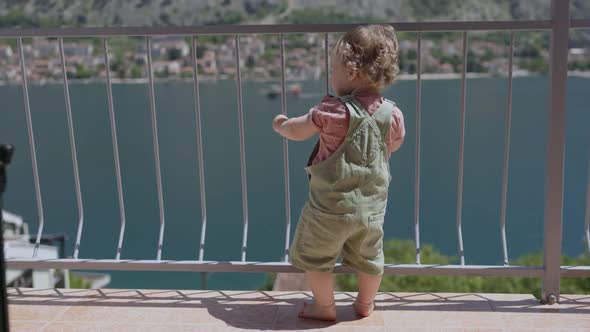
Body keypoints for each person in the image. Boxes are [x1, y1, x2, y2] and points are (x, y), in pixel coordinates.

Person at [272, 24, 405, 321]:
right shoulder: (392, 113)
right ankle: (365, 304)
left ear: (351, 71)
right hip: (371, 211)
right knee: (370, 259)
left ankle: (325, 307)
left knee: (317, 259)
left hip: (328, 210)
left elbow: (297, 130)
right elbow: (394, 145)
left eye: (334, 69)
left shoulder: (331, 111)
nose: (331, 76)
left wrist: (280, 123)